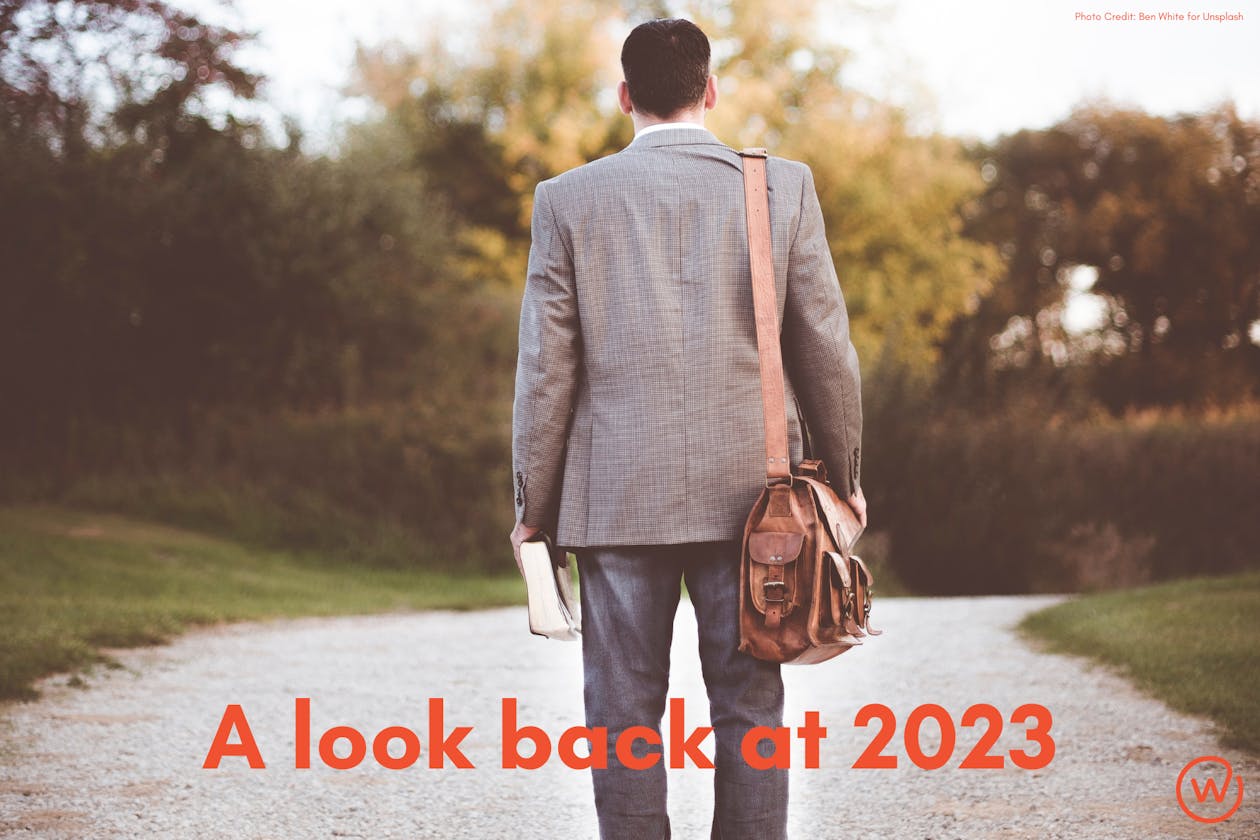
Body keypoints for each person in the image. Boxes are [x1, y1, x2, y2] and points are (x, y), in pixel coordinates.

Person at [509, 17, 865, 840]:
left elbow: (546, 374)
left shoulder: (566, 201)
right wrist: (844, 481)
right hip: (757, 507)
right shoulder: (783, 187)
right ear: (710, 91)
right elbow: (828, 354)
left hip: (614, 500)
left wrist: (534, 503)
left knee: (623, 711)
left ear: (625, 97)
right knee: (749, 706)